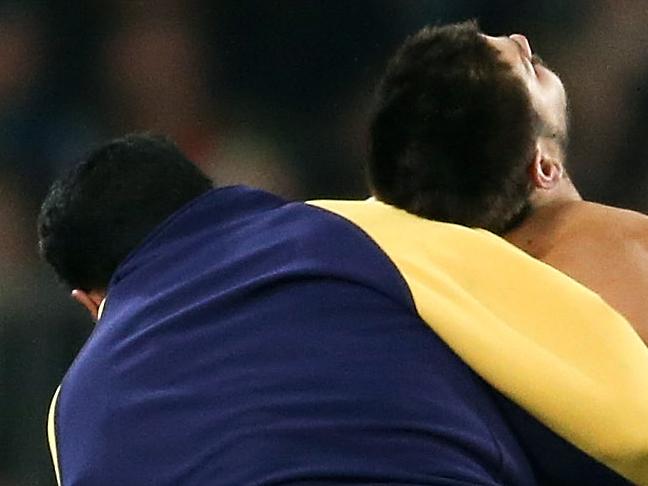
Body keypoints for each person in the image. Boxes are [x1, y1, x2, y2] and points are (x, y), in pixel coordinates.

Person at [40, 134, 648, 485]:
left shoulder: (72, 410)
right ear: (209, 191)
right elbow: (625, 423)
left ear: (89, 302)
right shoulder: (365, 229)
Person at [366, 20, 648, 484]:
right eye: (530, 69)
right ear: (544, 166)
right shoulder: (625, 249)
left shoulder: (411, 292)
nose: (521, 38)